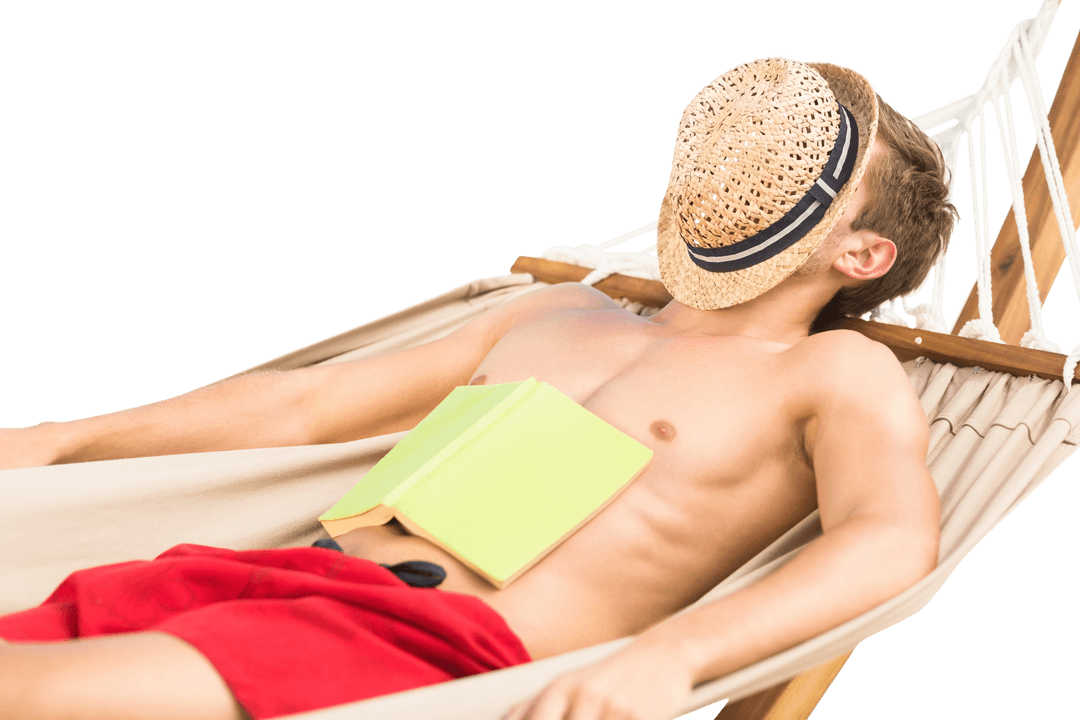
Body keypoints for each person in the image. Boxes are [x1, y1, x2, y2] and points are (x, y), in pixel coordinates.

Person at [0, 57, 958, 720]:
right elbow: (299, 407)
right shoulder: (551, 318)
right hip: (267, 580)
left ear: (862, 253)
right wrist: (58, 439)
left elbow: (890, 539)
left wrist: (668, 660)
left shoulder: (829, 372)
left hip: (432, 661)